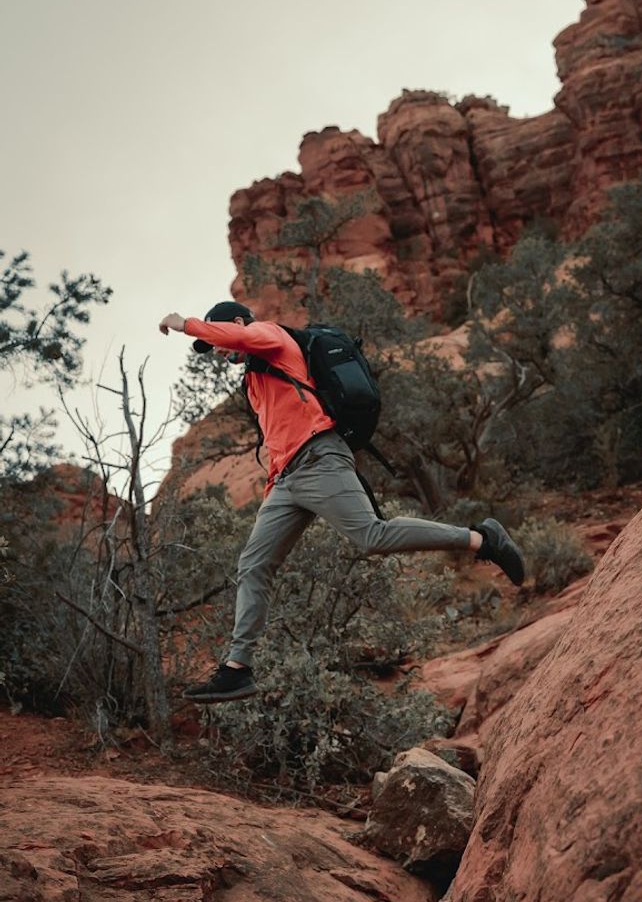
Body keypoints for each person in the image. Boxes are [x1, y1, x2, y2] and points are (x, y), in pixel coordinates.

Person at [159, 301, 525, 702]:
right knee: (253, 565)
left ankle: (482, 539)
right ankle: (237, 669)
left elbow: (242, 338)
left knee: (372, 536)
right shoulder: (254, 380)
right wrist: (272, 490)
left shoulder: (271, 336)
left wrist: (186, 324)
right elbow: (278, 437)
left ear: (238, 323)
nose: (217, 351)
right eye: (213, 346)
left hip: (320, 459)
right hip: (286, 479)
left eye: (218, 340)